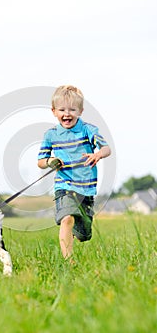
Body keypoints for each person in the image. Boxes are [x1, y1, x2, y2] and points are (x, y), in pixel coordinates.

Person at [37, 85, 111, 260]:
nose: (67, 113)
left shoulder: (88, 130)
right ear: (54, 111)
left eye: (72, 109)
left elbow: (107, 149)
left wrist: (98, 154)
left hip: (86, 188)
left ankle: (76, 233)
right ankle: (69, 263)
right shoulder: (51, 135)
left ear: (81, 111)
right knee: (66, 218)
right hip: (64, 185)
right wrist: (50, 162)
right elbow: (40, 161)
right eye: (62, 109)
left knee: (84, 235)